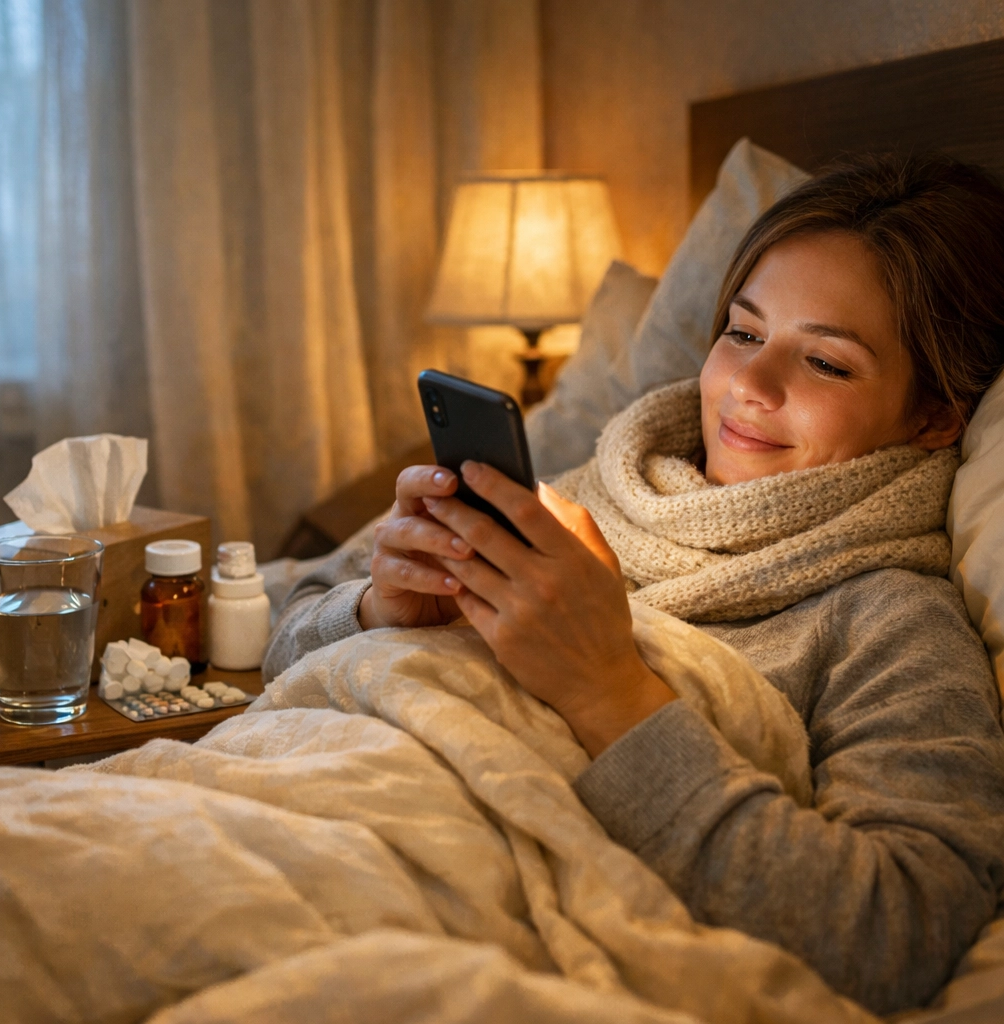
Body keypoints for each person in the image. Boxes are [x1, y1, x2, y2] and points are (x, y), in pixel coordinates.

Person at [262, 153, 1004, 1016]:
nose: (749, 388)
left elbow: (891, 936)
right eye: (744, 332)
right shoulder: (588, 489)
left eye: (827, 364)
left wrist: (607, 691)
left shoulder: (891, 623)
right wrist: (377, 611)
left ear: (934, 418)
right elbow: (278, 646)